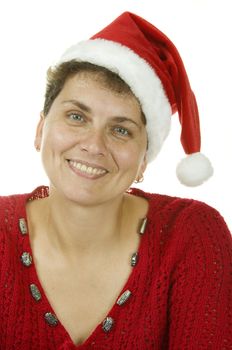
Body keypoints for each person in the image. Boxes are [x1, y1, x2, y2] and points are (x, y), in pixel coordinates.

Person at [0, 11, 231, 350]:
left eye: (121, 130)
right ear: (40, 130)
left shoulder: (193, 236)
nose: (94, 145)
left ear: (143, 161)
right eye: (77, 116)